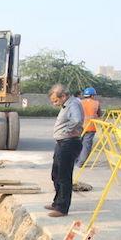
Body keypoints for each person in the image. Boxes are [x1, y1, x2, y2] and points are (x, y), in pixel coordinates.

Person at [45, 84, 83, 218]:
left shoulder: (73, 104)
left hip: (69, 143)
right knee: (56, 173)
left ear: (64, 96)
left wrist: (67, 131)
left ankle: (62, 208)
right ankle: (57, 202)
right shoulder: (66, 105)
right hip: (62, 143)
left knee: (64, 176)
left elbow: (77, 120)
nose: (55, 104)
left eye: (56, 100)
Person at [76, 87, 102, 168]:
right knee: (86, 146)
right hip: (91, 127)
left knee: (77, 144)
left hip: (79, 127)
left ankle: (74, 160)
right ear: (92, 95)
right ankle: (80, 163)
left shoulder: (79, 102)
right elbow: (99, 114)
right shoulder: (96, 103)